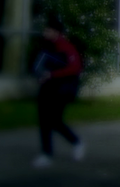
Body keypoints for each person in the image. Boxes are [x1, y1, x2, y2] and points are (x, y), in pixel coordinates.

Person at [32, 18, 85, 168]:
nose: (44, 33)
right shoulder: (46, 47)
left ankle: (76, 142)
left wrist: (51, 75)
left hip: (61, 90)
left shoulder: (66, 47)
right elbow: (40, 66)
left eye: (48, 30)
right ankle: (46, 154)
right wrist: (41, 76)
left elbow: (75, 68)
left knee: (55, 121)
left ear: (56, 32)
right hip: (46, 89)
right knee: (44, 121)